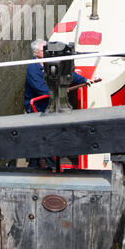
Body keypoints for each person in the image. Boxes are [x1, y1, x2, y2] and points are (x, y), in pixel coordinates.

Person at [24, 39, 88, 169]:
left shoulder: (51, 62)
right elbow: (41, 89)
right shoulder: (33, 68)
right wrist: (61, 89)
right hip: (39, 107)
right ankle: (44, 165)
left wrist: (84, 80)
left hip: (51, 104)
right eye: (44, 50)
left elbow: (67, 74)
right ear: (36, 53)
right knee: (42, 136)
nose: (48, 52)